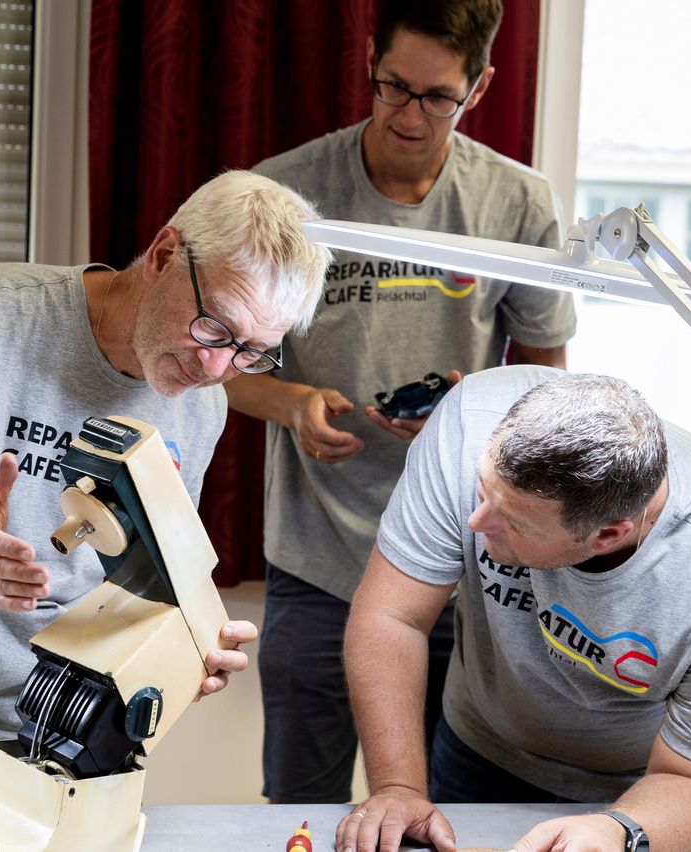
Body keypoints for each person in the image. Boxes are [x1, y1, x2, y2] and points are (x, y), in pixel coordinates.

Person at [0, 170, 333, 809]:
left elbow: (139, 576)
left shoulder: (200, 403)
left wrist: (182, 649)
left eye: (252, 351)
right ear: (163, 255)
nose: (216, 367)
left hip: (70, 756)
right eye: (215, 326)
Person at [227, 0, 577, 804]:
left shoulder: (516, 204)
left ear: (480, 86)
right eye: (395, 88)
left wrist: (477, 410)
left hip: (458, 561)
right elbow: (224, 365)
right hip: (316, 562)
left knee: (439, 806)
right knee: (301, 805)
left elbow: (551, 386)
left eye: (438, 97)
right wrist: (293, 403)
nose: (411, 116)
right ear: (369, 65)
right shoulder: (284, 194)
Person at [337, 367, 691, 852]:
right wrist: (399, 788)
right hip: (478, 744)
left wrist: (617, 829)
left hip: (642, 785)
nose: (476, 522)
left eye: (512, 522)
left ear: (608, 535)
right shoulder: (469, 421)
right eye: (480, 489)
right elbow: (393, 617)